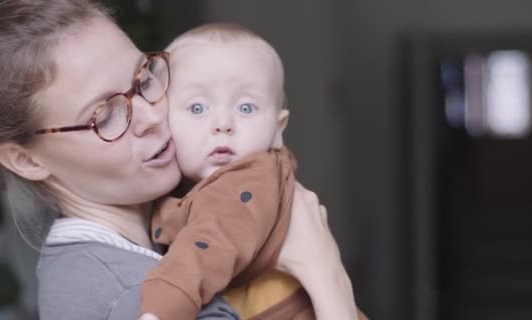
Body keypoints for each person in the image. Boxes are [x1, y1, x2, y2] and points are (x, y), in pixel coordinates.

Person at [0, 1, 360, 319]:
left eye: (145, 77)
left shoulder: (180, 220)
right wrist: (324, 273)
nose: (154, 117)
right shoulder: (129, 295)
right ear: (26, 161)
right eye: (105, 115)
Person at [140, 23, 365, 320]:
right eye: (197, 108)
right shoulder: (177, 189)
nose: (222, 123)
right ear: (165, 119)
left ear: (277, 129)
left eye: (246, 108)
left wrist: (161, 308)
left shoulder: (251, 177)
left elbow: (211, 241)